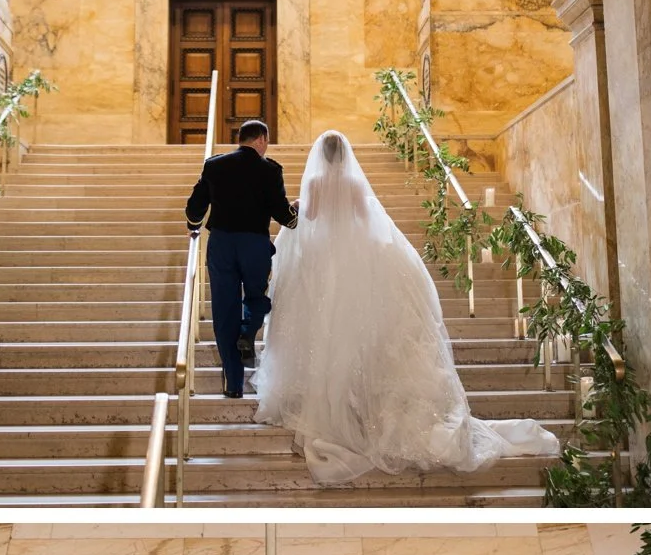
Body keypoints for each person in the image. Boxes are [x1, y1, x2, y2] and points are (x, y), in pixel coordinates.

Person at [255, 131, 561, 483]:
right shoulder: (355, 183)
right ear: (345, 155)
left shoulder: (316, 183)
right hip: (353, 261)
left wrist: (297, 207)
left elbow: (308, 220)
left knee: (326, 330)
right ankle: (357, 398)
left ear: (320, 156)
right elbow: (366, 223)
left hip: (323, 259)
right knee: (355, 331)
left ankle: (334, 401)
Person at [185, 119, 297, 398]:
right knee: (257, 297)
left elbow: (195, 206)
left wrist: (193, 225)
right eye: (266, 142)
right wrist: (295, 215)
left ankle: (233, 383)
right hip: (254, 244)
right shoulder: (270, 170)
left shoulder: (214, 165)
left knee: (224, 310)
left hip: (221, 243)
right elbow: (283, 215)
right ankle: (247, 333)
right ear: (261, 139)